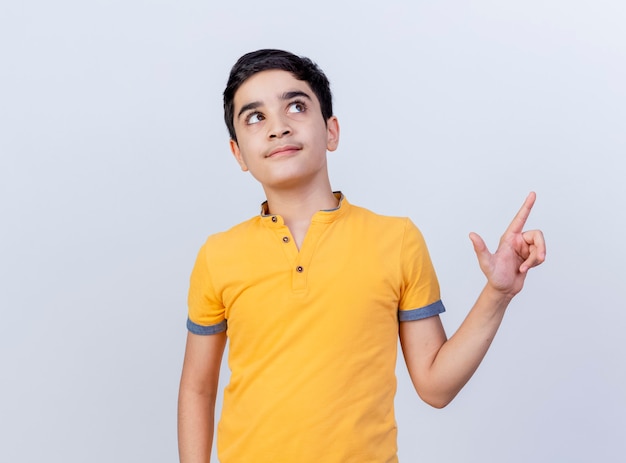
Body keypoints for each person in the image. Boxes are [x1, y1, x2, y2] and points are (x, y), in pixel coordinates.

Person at [177, 49, 546, 463]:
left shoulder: (397, 240)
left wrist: (497, 294)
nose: (278, 128)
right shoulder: (218, 255)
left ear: (331, 131)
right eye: (256, 117)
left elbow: (435, 387)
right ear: (238, 153)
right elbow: (197, 387)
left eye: (296, 106)